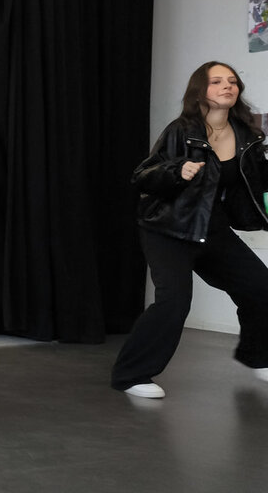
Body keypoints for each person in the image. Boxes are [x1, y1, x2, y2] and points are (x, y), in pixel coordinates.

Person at [112, 61, 268, 399]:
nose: (227, 86)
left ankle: (258, 356)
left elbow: (258, 178)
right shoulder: (181, 130)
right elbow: (142, 175)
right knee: (174, 301)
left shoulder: (247, 136)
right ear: (200, 91)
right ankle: (131, 375)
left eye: (232, 81)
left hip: (212, 227)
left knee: (261, 287)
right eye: (217, 81)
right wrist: (176, 171)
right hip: (168, 227)